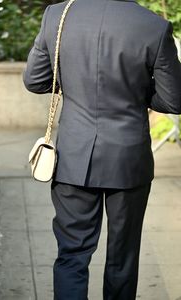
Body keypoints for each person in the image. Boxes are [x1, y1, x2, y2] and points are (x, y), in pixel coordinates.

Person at [23, 0, 181, 299]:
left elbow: (35, 80)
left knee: (72, 255)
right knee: (123, 257)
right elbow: (174, 101)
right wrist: (138, 94)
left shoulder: (57, 15)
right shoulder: (154, 26)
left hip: (73, 156)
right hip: (128, 159)